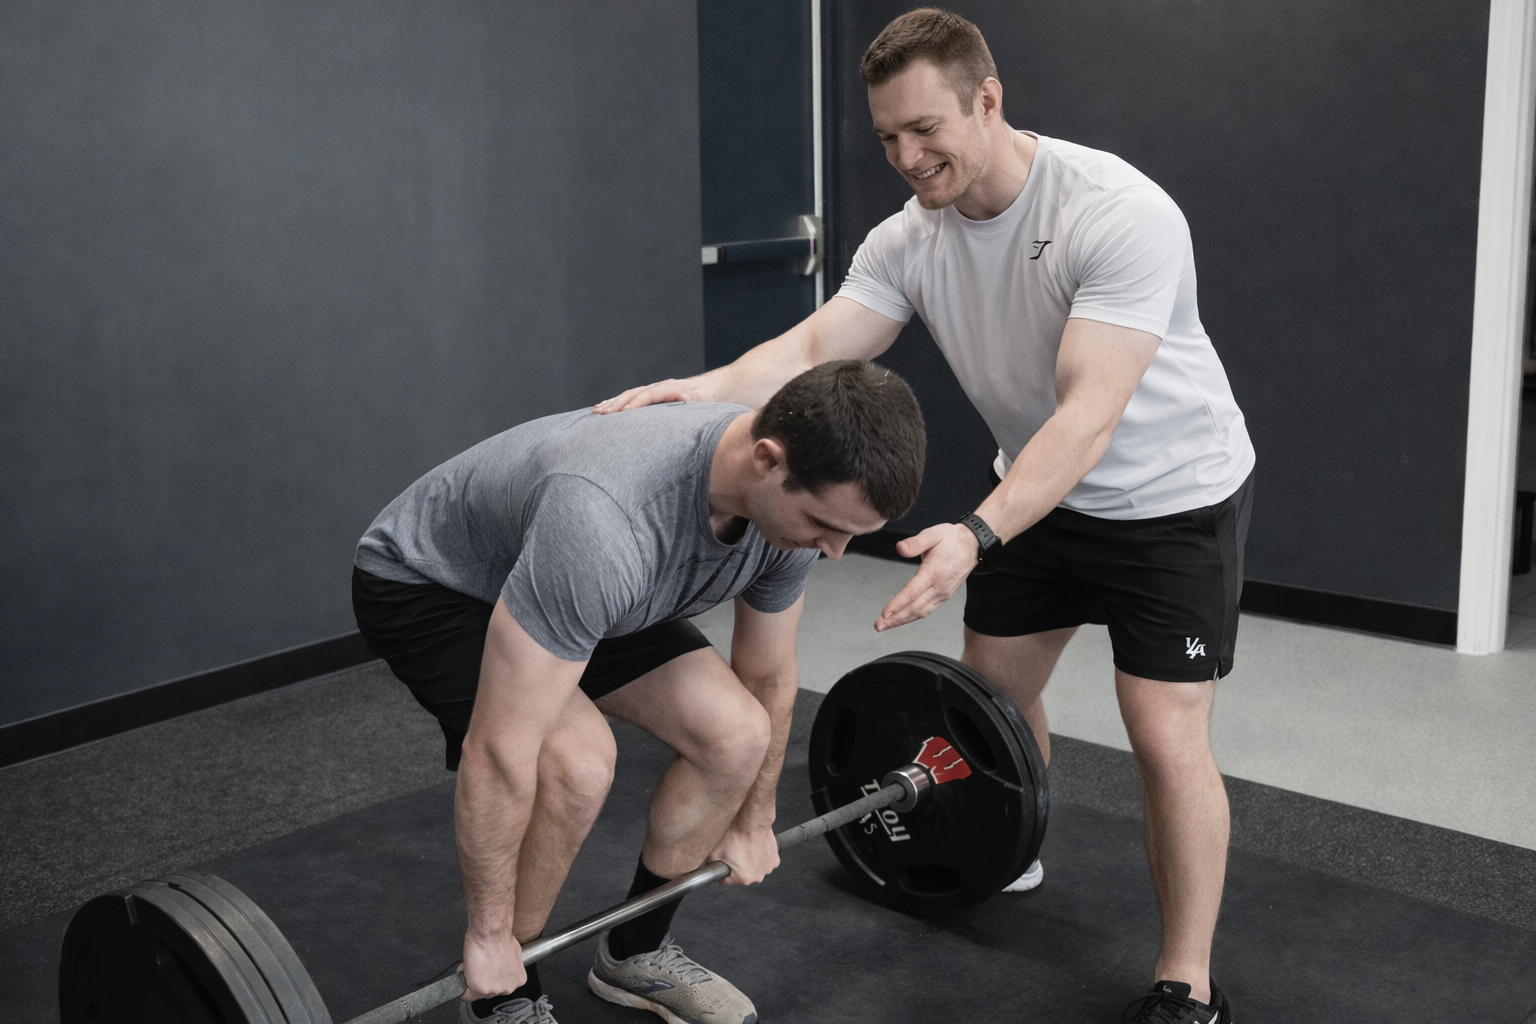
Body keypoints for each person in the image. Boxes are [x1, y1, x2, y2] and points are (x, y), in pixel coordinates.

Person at [596, 9, 1254, 1023]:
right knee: (993, 700)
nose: (907, 156)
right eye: (888, 137)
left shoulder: (1117, 211)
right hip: (1037, 494)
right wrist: (702, 388)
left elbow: (1087, 416)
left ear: (987, 101)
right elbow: (814, 344)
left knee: (1165, 735)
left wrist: (978, 531)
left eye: (925, 130)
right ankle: (1014, 846)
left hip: (1169, 499)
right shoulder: (912, 238)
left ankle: (1185, 978)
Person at [353, 361, 925, 1024]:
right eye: (824, 525)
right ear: (767, 460)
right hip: (436, 586)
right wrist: (488, 936)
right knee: (575, 763)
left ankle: (634, 952)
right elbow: (501, 748)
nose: (834, 552)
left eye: (852, 532)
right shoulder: (608, 521)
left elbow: (766, 673)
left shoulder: (793, 516)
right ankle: (504, 989)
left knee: (736, 736)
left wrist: (754, 816)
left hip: (587, 589)